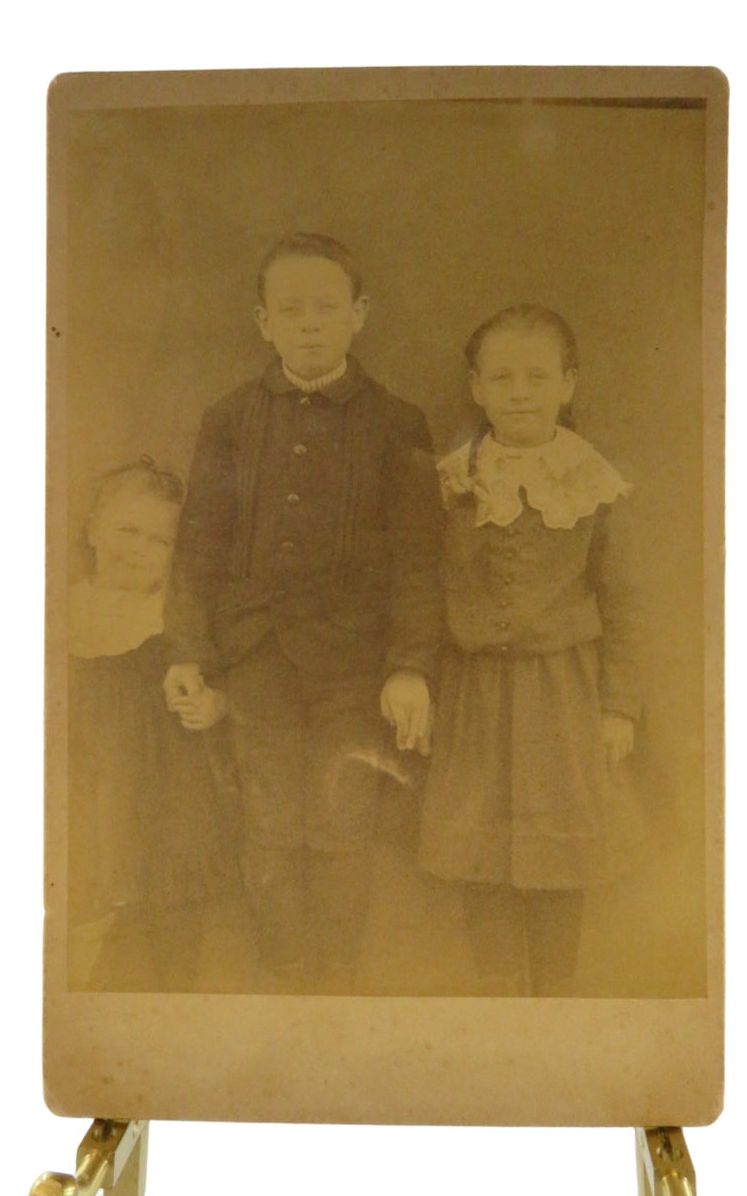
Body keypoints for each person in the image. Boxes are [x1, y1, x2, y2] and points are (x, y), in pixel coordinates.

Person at [163, 232, 443, 991]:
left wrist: (411, 666)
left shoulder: (396, 423)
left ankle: (336, 986)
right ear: (263, 322)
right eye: (291, 310)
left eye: (327, 307)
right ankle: (288, 979)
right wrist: (189, 650)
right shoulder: (228, 419)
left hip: (356, 666)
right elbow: (198, 547)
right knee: (269, 822)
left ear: (359, 315)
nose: (309, 323)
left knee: (341, 822)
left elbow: (420, 561)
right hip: (256, 661)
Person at [418, 305, 644, 996]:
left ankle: (554, 999)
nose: (520, 391)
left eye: (538, 376)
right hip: (473, 692)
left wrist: (619, 708)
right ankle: (496, 1002)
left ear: (568, 385)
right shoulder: (451, 481)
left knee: (560, 855)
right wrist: (419, 682)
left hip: (562, 695)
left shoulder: (591, 481)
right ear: (477, 388)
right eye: (503, 376)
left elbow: (624, 599)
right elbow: (422, 589)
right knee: (479, 848)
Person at [67, 457, 235, 991]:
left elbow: (234, 685)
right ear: (92, 527)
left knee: (171, 921)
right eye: (126, 530)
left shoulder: (177, 625)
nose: (139, 548)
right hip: (90, 790)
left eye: (160, 541)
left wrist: (216, 704)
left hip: (168, 795)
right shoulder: (59, 613)